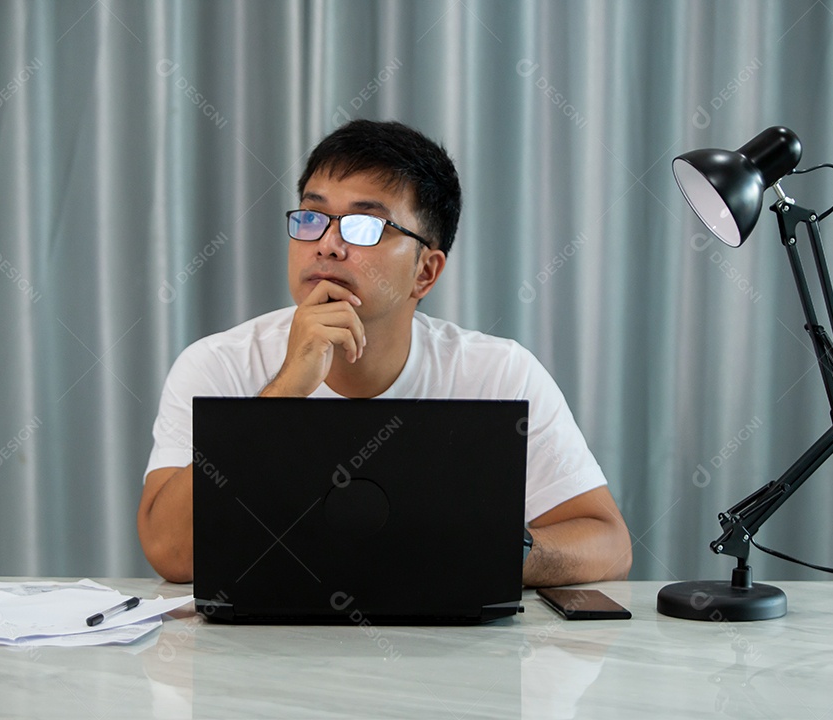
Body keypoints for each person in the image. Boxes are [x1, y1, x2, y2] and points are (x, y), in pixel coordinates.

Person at [138, 120, 632, 586]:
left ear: (426, 271)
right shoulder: (217, 363)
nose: (327, 245)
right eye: (312, 217)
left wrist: (494, 550)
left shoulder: (500, 374)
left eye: (363, 227)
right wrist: (286, 389)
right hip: (262, 656)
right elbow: (171, 552)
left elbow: (609, 545)